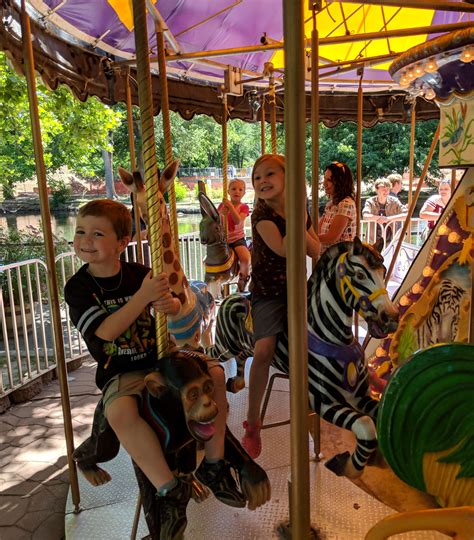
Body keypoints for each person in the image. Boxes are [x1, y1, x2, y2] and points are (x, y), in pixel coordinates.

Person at [65, 199, 243, 539]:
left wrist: (170, 303)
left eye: (97, 233)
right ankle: (167, 486)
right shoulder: (79, 288)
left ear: (122, 242)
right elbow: (104, 332)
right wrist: (142, 296)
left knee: (216, 373)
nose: (85, 240)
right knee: (118, 411)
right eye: (80, 232)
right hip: (121, 369)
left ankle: (215, 463)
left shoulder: (137, 273)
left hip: (161, 357)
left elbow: (173, 310)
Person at [241, 154, 320, 459]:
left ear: (289, 178)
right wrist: (297, 220)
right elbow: (285, 249)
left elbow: (315, 249)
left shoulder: (300, 212)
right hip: (270, 294)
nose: (262, 181)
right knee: (263, 350)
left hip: (298, 291)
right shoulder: (261, 216)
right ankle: (253, 421)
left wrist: (301, 215)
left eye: (269, 174)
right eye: (257, 177)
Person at [217, 178, 251, 289]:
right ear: (228, 192)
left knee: (245, 258)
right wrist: (220, 214)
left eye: (240, 189)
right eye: (234, 189)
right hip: (223, 239)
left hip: (237, 239)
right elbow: (216, 221)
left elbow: (238, 221)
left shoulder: (244, 207)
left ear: (244, 193)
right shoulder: (222, 206)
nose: (237, 191)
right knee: (209, 257)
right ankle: (215, 280)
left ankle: (243, 279)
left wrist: (231, 207)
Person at [318, 161, 357, 254]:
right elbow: (318, 228)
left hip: (340, 260)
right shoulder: (331, 204)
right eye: (324, 179)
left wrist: (307, 239)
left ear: (340, 183)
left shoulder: (346, 204)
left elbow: (332, 237)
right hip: (329, 257)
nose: (324, 183)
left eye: (329, 180)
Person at [362, 178, 407, 247]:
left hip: (391, 240)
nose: (386, 191)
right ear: (376, 190)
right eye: (383, 189)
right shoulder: (370, 201)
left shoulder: (394, 201)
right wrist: (379, 218)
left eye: (388, 189)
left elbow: (406, 215)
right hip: (373, 240)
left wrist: (387, 219)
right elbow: (365, 216)